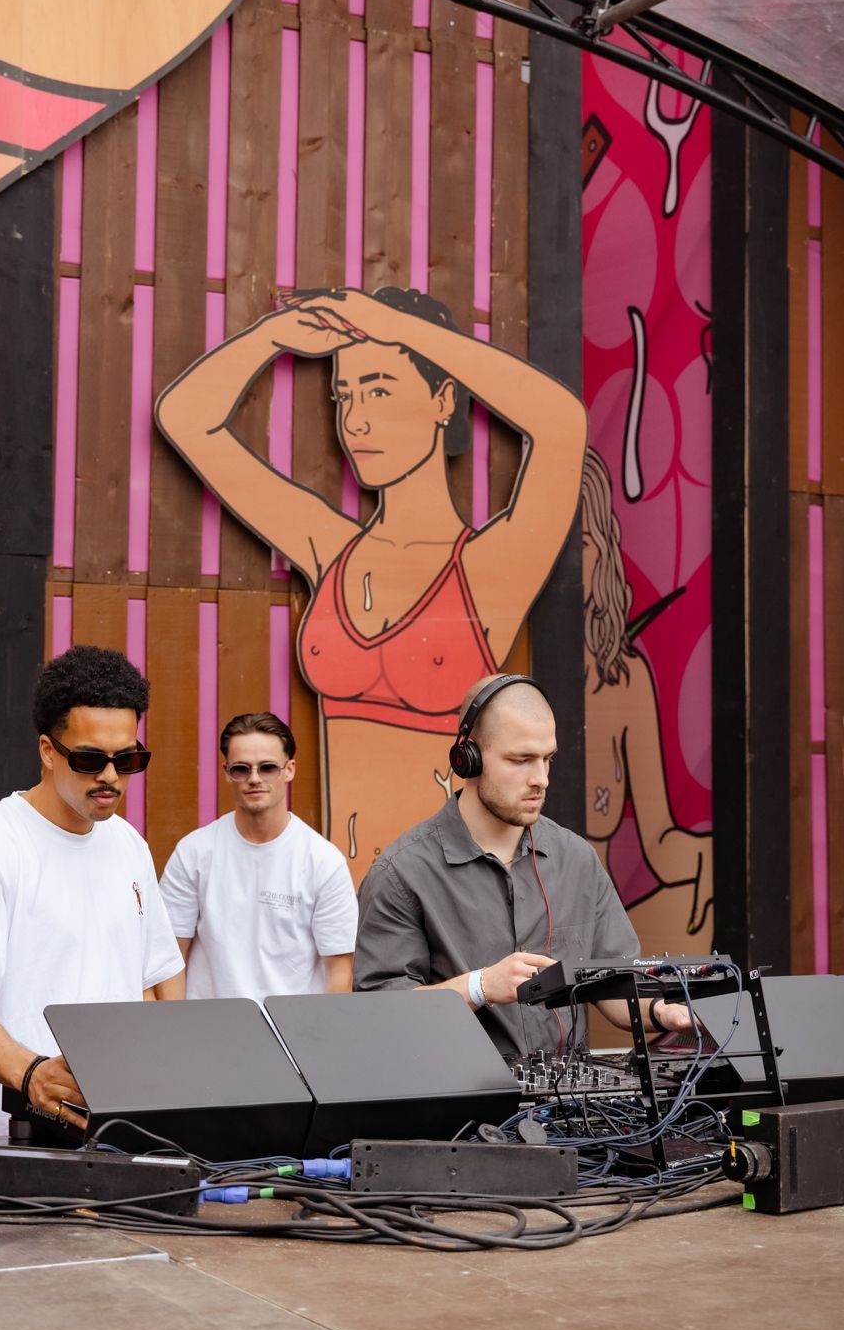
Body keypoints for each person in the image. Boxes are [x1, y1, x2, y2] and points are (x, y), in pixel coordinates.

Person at [156, 285, 586, 883]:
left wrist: (393, 326)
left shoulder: (490, 569)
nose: (355, 420)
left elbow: (561, 423)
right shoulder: (329, 547)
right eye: (344, 395)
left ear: (442, 400)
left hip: (442, 893)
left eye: (380, 389)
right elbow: (187, 419)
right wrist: (272, 337)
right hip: (338, 894)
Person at [0, 645, 184, 1139]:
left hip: (115, 1132)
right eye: (89, 758)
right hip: (2, 1141)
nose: (110, 776)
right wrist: (33, 1074)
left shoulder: (129, 845)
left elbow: (153, 984)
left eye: (127, 759)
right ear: (47, 751)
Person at [354, 676, 690, 1062]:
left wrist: (662, 1012)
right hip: (460, 1096)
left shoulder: (578, 859)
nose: (541, 780)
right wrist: (480, 987)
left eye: (548, 759)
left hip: (571, 1097)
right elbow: (381, 1016)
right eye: (521, 760)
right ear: (468, 757)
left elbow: (613, 983)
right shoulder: (401, 873)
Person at [580, 449, 713, 946]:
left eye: (584, 543)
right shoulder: (506, 672)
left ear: (604, 551)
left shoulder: (624, 677)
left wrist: (705, 858)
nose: (573, 560)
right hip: (511, 939)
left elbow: (659, 843)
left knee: (697, 924)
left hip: (596, 936)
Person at [157, 712, 357, 1002]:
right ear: (226, 771)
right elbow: (169, 958)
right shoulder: (194, 853)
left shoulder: (323, 862)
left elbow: (339, 973)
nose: (254, 778)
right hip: (209, 1027)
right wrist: (176, 1025)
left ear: (289, 770)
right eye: (241, 769)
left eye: (267, 768)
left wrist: (320, 1031)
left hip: (292, 1028)